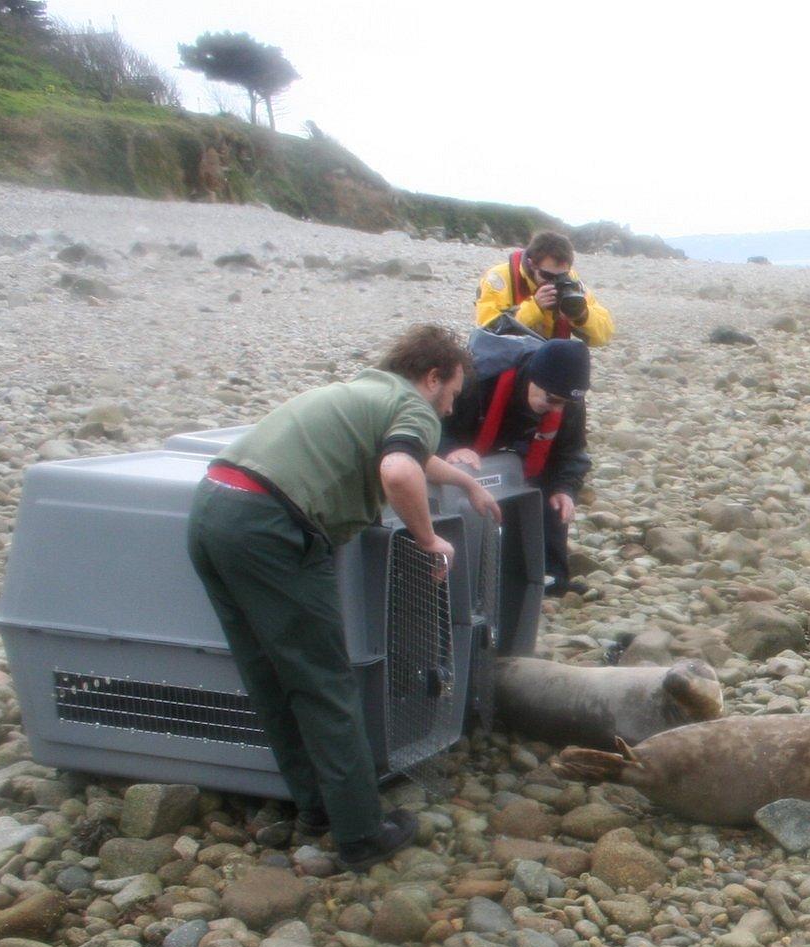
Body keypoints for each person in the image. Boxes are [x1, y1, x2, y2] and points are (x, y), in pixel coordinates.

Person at [186, 325, 500, 871]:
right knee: (324, 683)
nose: (450, 409)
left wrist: (468, 482)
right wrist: (428, 541)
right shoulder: (413, 407)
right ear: (431, 378)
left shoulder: (363, 393)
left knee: (269, 675)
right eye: (451, 393)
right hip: (270, 529)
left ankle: (314, 809)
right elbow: (399, 468)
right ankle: (360, 834)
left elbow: (412, 456)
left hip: (214, 512)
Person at [440, 335, 591, 596]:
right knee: (454, 482)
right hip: (468, 434)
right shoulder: (479, 379)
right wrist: (451, 449)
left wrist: (565, 488)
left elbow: (571, 451)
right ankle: (455, 575)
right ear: (532, 378)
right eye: (552, 400)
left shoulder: (565, 398)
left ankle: (547, 578)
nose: (556, 409)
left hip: (521, 445)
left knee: (553, 495)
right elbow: (432, 422)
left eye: (563, 404)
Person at [474, 230, 615, 347]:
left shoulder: (571, 282)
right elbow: (486, 332)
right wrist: (534, 307)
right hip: (510, 354)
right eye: (547, 276)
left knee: (577, 355)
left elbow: (604, 335)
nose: (554, 281)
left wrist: (582, 315)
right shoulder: (498, 279)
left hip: (550, 355)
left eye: (562, 276)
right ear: (531, 264)